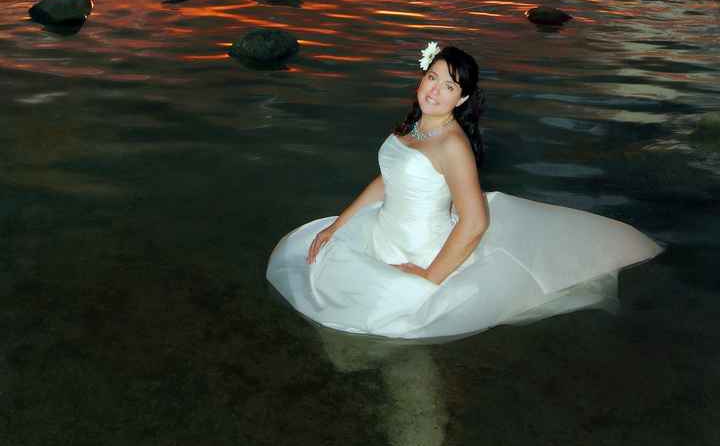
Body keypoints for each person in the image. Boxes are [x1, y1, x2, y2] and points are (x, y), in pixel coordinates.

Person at [266, 42, 662, 340]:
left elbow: (475, 222)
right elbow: (388, 179)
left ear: (463, 98)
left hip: (422, 249)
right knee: (312, 255)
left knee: (387, 317)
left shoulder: (453, 145)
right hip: (382, 230)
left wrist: (429, 277)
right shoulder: (412, 126)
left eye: (449, 86)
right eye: (432, 77)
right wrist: (338, 225)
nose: (435, 90)